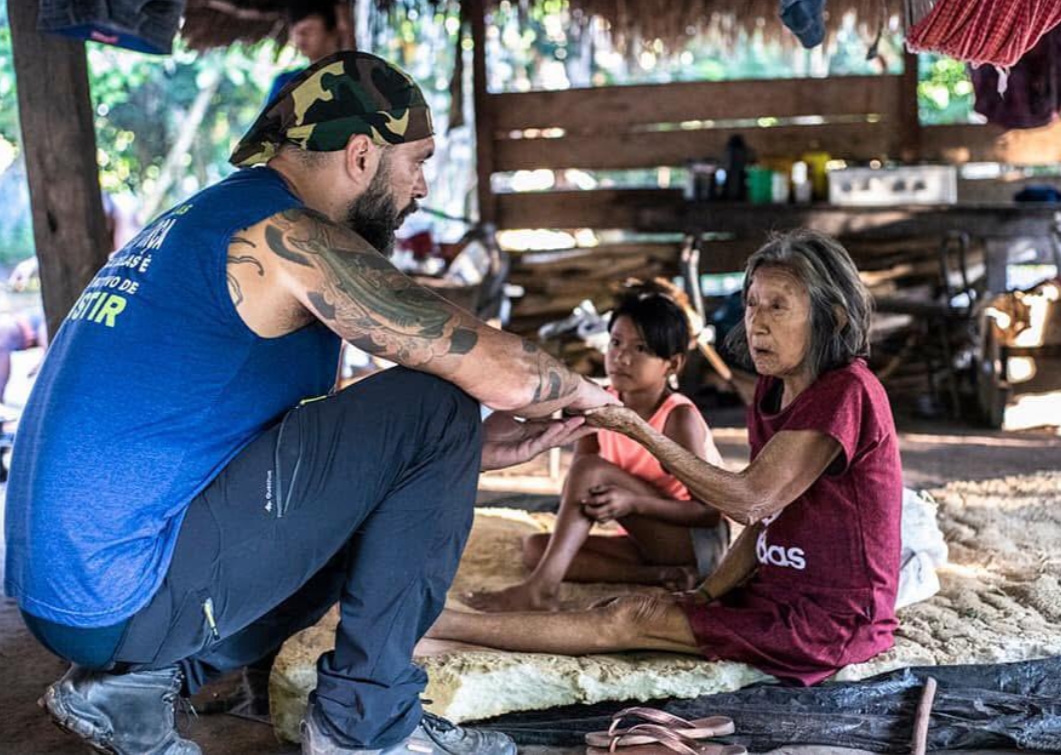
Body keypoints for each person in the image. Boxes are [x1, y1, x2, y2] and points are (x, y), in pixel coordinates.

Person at [3, 51, 618, 755]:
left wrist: (463, 449)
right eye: (416, 160)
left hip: (74, 592)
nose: (421, 186)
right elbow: (496, 369)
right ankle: (366, 728)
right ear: (360, 154)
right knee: (437, 401)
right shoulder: (287, 233)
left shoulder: (210, 216)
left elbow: (301, 442)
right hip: (122, 587)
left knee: (418, 447)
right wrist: (598, 398)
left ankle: (128, 686)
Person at [428, 229, 904, 688]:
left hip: (834, 622)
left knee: (629, 618)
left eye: (778, 307)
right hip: (774, 590)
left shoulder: (847, 391)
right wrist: (707, 594)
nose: (756, 322)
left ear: (833, 319)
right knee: (621, 609)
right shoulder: (775, 388)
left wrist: (634, 427)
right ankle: (443, 627)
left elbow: (749, 503)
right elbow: (771, 520)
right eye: (752, 303)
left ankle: (440, 627)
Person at [467, 292, 728, 612]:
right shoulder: (600, 403)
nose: (622, 357)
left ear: (672, 364)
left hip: (694, 544)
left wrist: (634, 503)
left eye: (641, 348)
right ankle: (660, 576)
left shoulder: (677, 417)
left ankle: (541, 590)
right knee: (537, 549)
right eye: (616, 343)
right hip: (644, 540)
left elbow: (709, 513)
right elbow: (578, 483)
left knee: (592, 471)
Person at [266, 3, 344, 104]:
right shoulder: (285, 84)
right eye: (296, 32)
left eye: (308, 31)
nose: (300, 38)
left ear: (332, 32)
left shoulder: (355, 79)